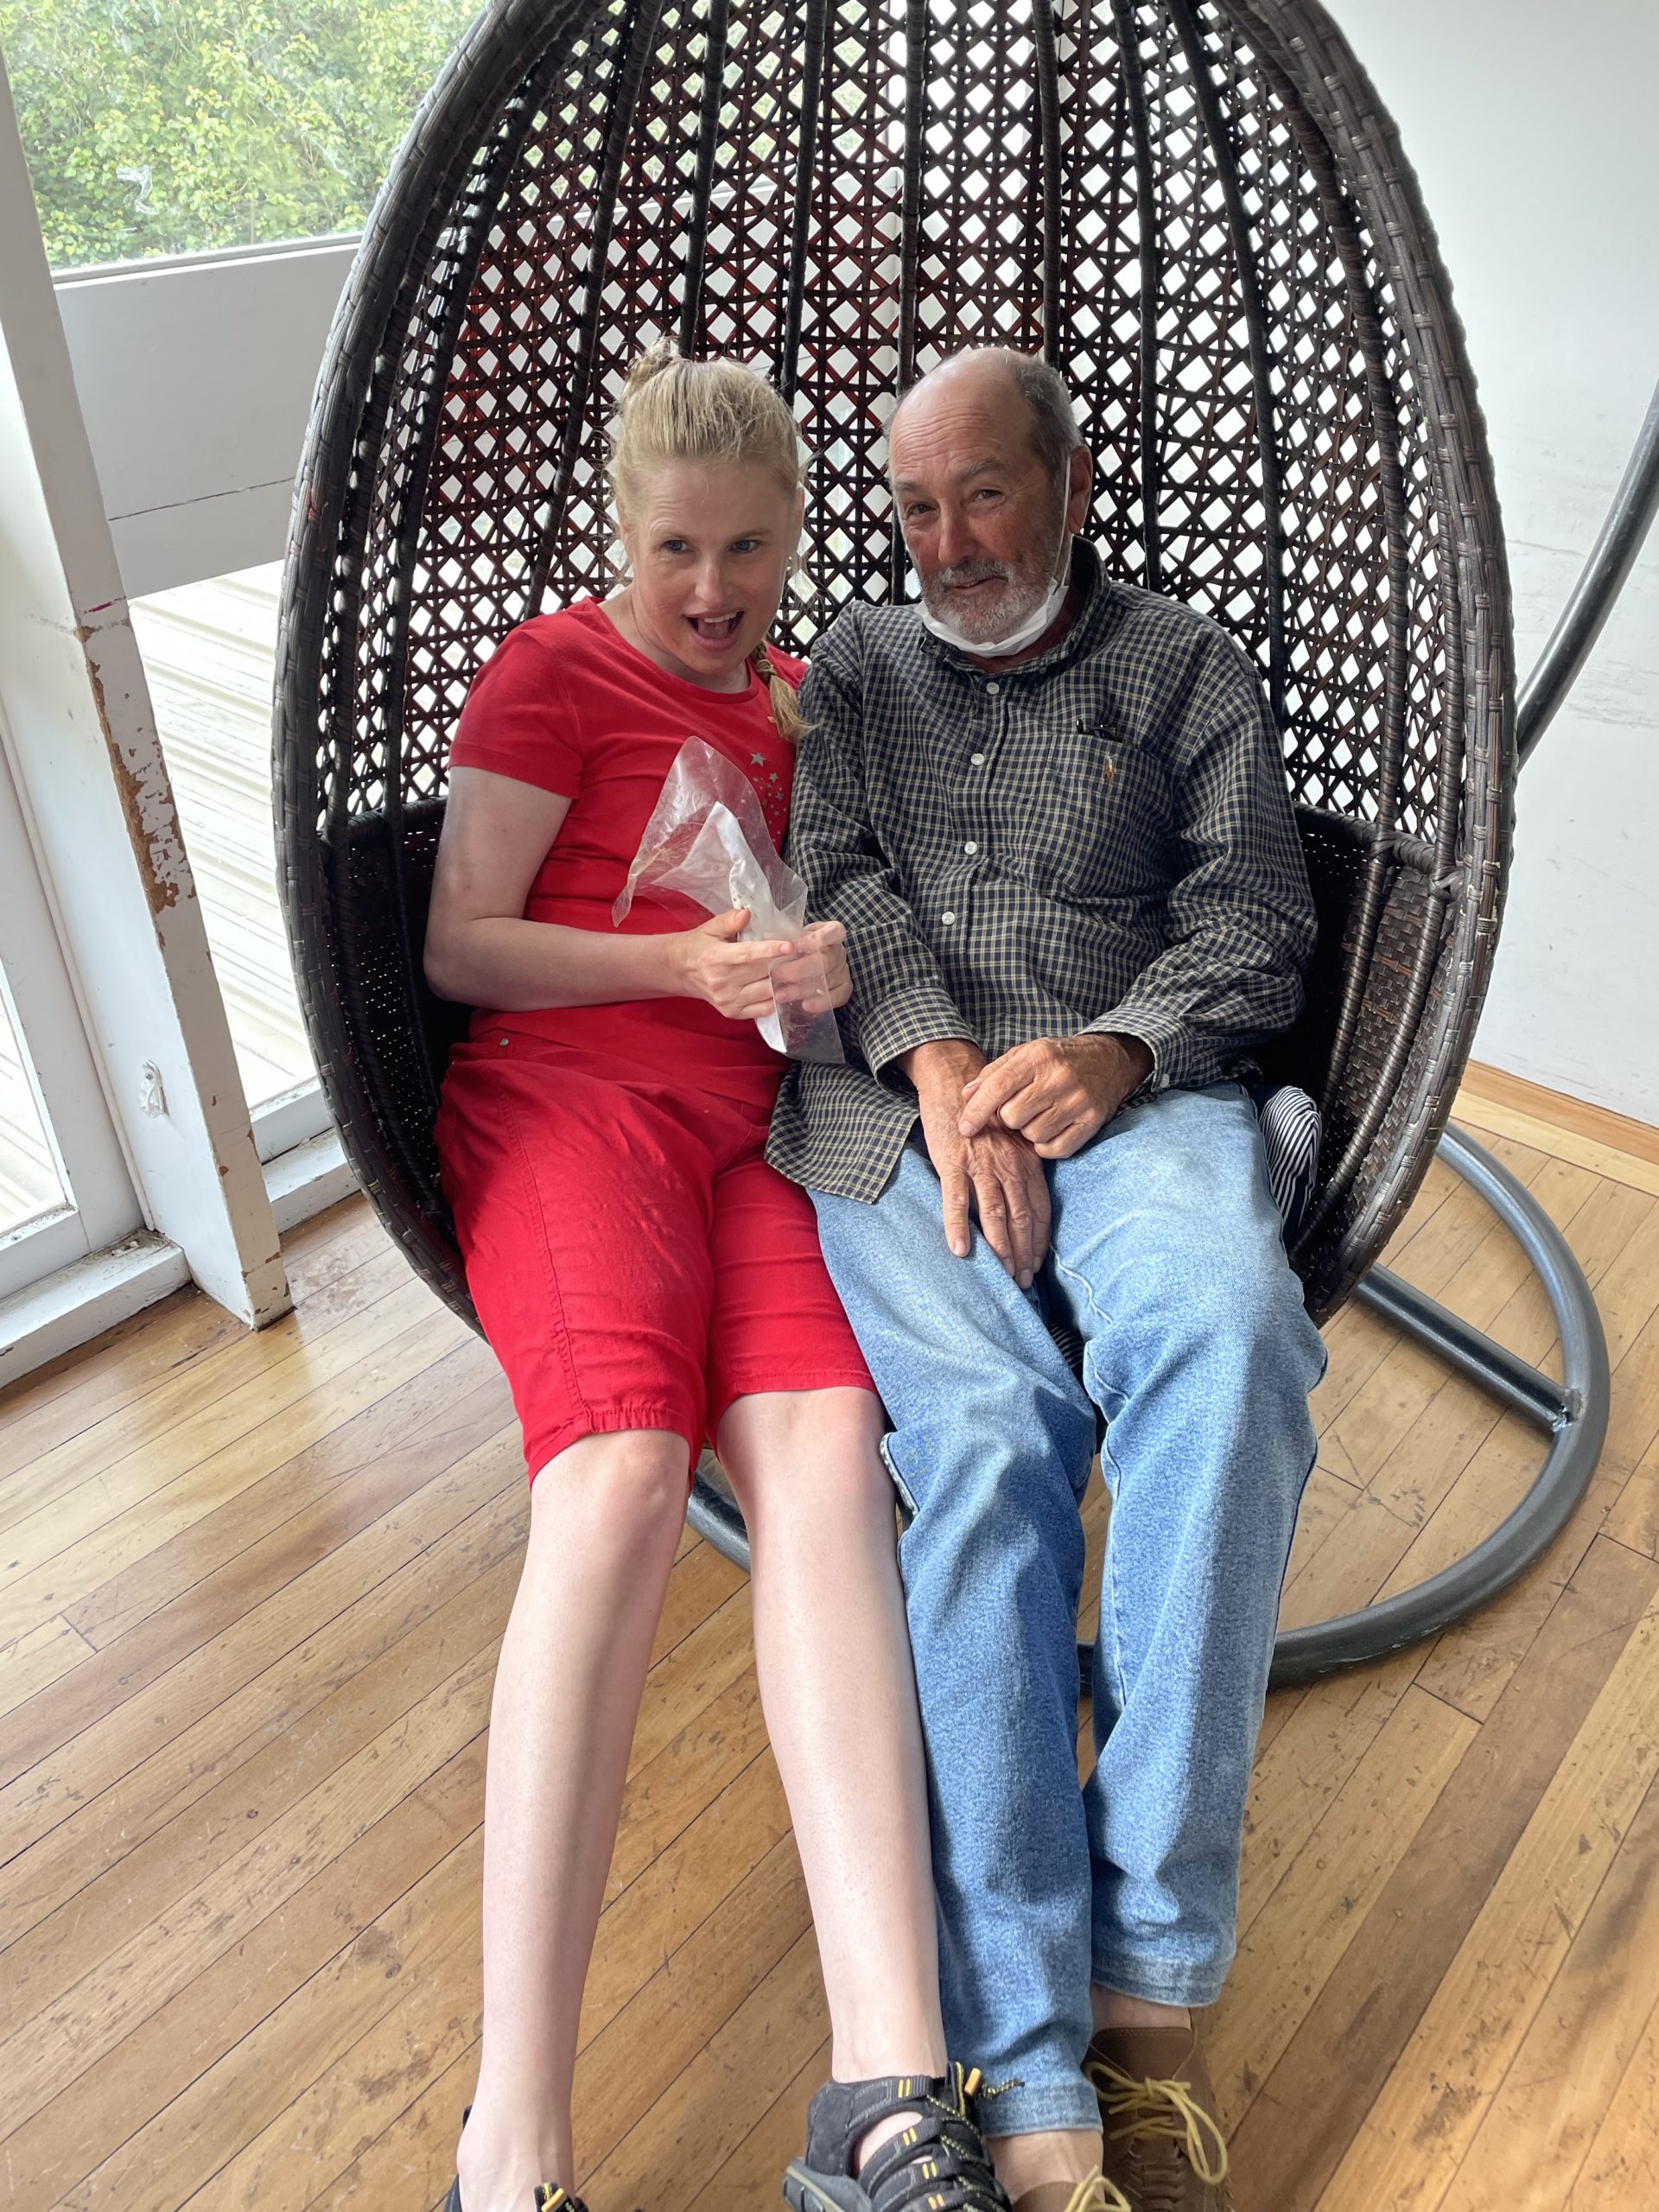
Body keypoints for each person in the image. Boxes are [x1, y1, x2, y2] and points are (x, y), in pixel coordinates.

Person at [423, 347, 1055, 2212]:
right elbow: (462, 945)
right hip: (570, 1108)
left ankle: (888, 2085)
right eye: (680, 549)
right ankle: (508, 2139)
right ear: (625, 533)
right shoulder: (552, 673)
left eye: (754, 550)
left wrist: (822, 969)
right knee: (616, 1480)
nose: (715, 591)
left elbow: (834, 913)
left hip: (765, 1133)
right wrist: (675, 970)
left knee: (832, 1473)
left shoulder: (803, 696)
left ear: (798, 538)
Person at [769, 347, 1328, 2212]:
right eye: (915, 507)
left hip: (1133, 1096)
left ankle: (1145, 1985)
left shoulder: (1189, 668)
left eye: (981, 496)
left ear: (1071, 485)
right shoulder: (852, 668)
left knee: (1232, 1340)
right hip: (898, 1108)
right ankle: (1017, 2047)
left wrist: (1110, 1054)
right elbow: (834, 879)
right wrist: (934, 1069)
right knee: (994, 1439)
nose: (945, 542)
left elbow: (1255, 914)